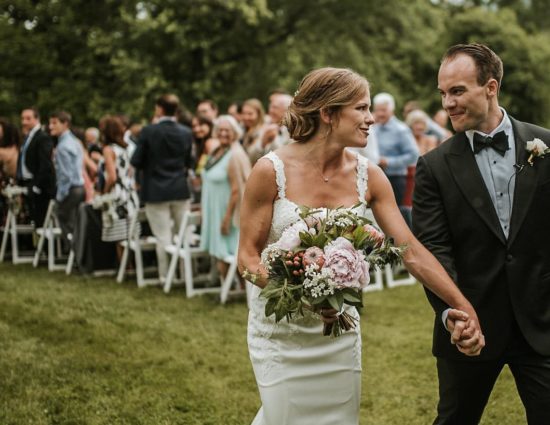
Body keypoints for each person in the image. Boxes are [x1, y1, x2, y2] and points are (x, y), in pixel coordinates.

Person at [238, 67, 484, 425]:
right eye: (361, 108)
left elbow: (410, 251)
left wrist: (463, 306)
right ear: (327, 113)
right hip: (282, 330)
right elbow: (246, 258)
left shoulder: (370, 175)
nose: (371, 119)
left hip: (339, 330)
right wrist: (303, 293)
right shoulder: (269, 170)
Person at [413, 43, 550, 425]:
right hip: (470, 326)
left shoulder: (546, 146)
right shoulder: (433, 167)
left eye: (457, 91)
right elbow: (433, 250)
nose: (448, 104)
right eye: (443, 94)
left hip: (541, 323)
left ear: (490, 87)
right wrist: (454, 316)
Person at [131, 93, 193, 282]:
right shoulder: (185, 132)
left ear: (159, 109)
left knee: (162, 236)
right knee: (182, 235)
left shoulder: (149, 131)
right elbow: (189, 162)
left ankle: (166, 276)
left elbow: (136, 160)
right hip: (179, 189)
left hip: (155, 190)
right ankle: (184, 274)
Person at [200, 115, 251, 279]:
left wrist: (226, 218)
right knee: (217, 249)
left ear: (235, 132)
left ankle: (230, 288)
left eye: (227, 130)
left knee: (224, 250)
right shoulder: (216, 151)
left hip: (225, 210)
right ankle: (222, 284)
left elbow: (237, 189)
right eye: (220, 130)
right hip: (212, 208)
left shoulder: (234, 155)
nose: (223, 133)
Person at [372, 92, 419, 227]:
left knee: (393, 216)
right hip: (374, 176)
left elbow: (413, 155)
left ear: (391, 110)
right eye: (377, 110)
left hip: (396, 178)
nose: (380, 114)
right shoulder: (372, 128)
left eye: (383, 110)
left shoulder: (401, 130)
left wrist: (389, 162)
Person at [98, 115, 133, 252]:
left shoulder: (108, 150)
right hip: (128, 193)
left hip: (116, 194)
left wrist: (104, 192)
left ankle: (124, 268)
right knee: (129, 233)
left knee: (119, 236)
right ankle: (130, 266)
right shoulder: (124, 148)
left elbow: (112, 177)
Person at [49, 111, 85, 243]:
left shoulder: (63, 146)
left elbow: (65, 176)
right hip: (79, 188)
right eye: (50, 123)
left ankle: (74, 255)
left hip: (70, 190)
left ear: (65, 124)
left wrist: (60, 196)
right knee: (76, 223)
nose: (50, 127)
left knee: (67, 223)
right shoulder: (75, 141)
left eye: (54, 123)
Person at [17, 107, 56, 227]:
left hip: (38, 186)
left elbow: (45, 164)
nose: (24, 122)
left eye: (28, 118)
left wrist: (36, 186)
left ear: (37, 119)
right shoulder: (28, 137)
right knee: (34, 220)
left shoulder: (42, 137)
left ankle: (43, 245)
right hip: (27, 183)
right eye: (23, 118)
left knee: (41, 220)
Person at [241, 98, 267, 165]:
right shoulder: (244, 129)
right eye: (244, 113)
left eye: (250, 114)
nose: (246, 117)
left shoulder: (263, 131)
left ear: (259, 114)